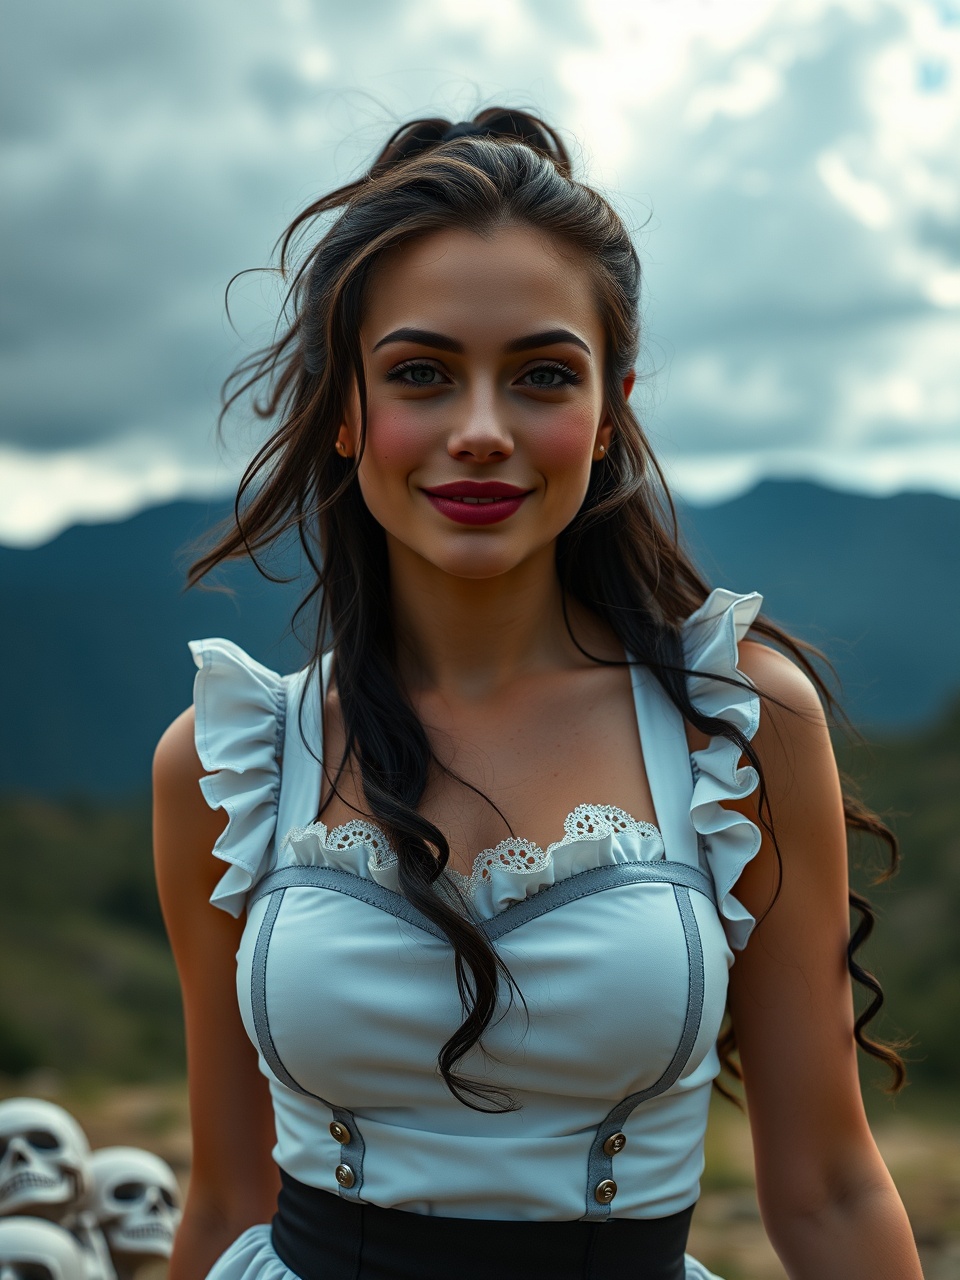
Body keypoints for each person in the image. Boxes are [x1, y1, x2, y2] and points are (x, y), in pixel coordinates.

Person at [153, 109, 923, 1280]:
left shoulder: (735, 727)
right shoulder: (232, 759)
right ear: (347, 409)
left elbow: (827, 1185)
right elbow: (226, 1195)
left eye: (539, 376)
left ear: (608, 410)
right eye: (421, 373)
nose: (478, 431)